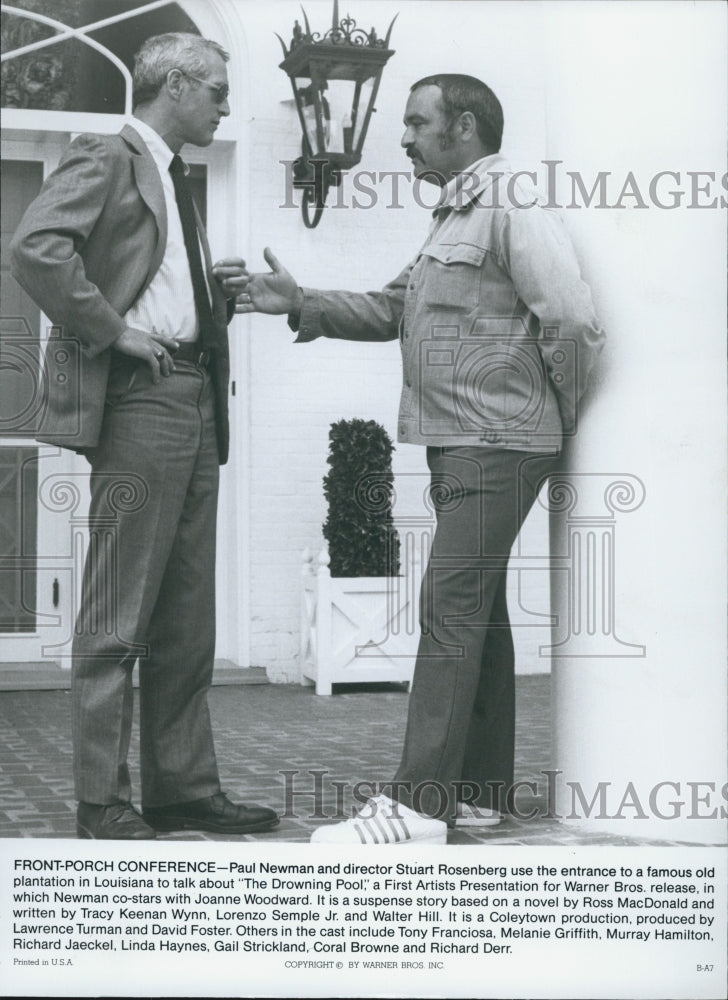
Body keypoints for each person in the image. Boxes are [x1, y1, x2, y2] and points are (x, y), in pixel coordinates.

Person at [237, 74, 605, 845]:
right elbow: (391, 308)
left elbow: (569, 315)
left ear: (462, 127)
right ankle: (475, 792)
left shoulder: (509, 202)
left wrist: (557, 410)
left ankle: (417, 806)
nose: (402, 137)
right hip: (464, 441)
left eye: (414, 122)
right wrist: (298, 300)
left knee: (447, 609)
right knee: (478, 614)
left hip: (497, 440)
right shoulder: (453, 215)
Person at [10, 32, 278, 840]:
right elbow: (34, 248)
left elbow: (149, 276)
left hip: (194, 398)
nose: (227, 105)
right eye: (220, 90)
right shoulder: (110, 153)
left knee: (187, 615)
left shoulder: (173, 175)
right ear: (179, 85)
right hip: (142, 401)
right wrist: (110, 329)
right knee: (118, 614)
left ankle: (182, 789)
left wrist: (212, 296)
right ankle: (102, 801)